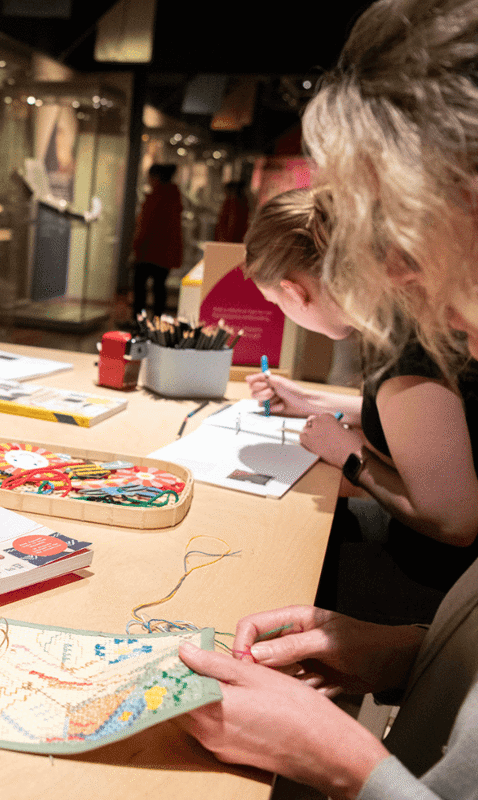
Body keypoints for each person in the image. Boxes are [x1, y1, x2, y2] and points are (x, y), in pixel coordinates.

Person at [178, 1, 478, 796]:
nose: (400, 280)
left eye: (410, 233)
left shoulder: (414, 355)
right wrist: (406, 654)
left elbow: (455, 521)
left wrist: (337, 759)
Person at [242, 187, 478, 623]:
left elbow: (456, 524)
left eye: (276, 303)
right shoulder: (399, 321)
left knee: (273, 578)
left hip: (444, 594)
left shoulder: (406, 352)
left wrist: (349, 454)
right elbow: (418, 421)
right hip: (432, 566)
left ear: (295, 291)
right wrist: (307, 400)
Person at [131, 163, 183, 319]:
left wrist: (137, 246)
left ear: (156, 177)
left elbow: (145, 226)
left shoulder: (155, 197)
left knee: (140, 286)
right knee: (159, 287)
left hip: (149, 251)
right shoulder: (173, 197)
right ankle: (157, 320)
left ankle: (139, 320)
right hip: (165, 252)